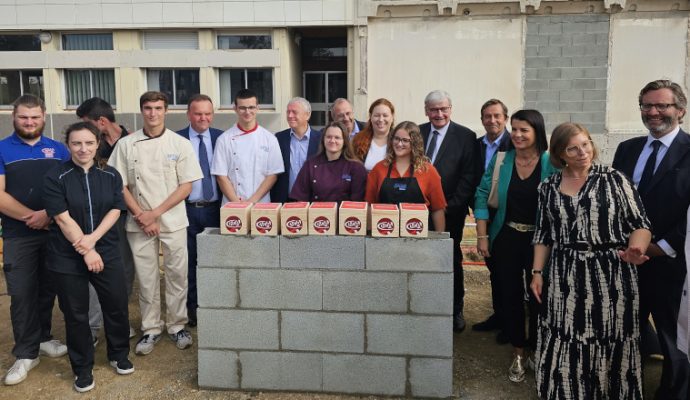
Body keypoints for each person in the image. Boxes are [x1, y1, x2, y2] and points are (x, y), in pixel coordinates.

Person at [530, 122, 652, 398]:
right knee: (566, 333)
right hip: (566, 273)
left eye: (585, 144)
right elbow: (544, 234)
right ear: (560, 154)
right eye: (573, 148)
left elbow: (641, 224)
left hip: (611, 272)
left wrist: (636, 247)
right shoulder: (548, 187)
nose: (583, 152)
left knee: (611, 333)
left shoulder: (614, 179)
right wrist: (537, 272)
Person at [612, 79, 690, 400]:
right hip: (628, 264)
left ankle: (674, 393)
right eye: (647, 105)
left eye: (662, 106)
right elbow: (614, 203)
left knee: (675, 342)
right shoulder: (627, 149)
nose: (653, 112)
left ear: (680, 111)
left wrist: (660, 248)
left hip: (673, 264)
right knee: (626, 333)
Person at [108, 91, 202, 355]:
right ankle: (150, 329)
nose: (153, 113)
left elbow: (186, 186)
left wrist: (156, 213)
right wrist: (141, 215)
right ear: (141, 111)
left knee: (177, 275)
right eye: (148, 108)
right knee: (147, 279)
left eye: (158, 108)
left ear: (166, 111)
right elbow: (120, 184)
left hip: (172, 221)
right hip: (138, 222)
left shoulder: (180, 144)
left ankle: (177, 325)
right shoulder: (127, 145)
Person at [43, 122, 134, 393]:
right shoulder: (54, 176)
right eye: (76, 144)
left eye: (89, 143)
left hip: (106, 249)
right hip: (66, 255)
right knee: (76, 313)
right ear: (68, 145)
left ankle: (119, 354)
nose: (83, 149)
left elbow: (116, 210)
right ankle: (82, 368)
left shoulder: (110, 174)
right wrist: (87, 250)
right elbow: (61, 217)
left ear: (97, 144)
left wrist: (93, 242)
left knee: (116, 305)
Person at [474, 109, 557, 383]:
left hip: (540, 242)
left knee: (538, 297)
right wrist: (483, 235)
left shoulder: (551, 162)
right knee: (508, 295)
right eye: (515, 129)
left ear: (537, 133)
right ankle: (518, 351)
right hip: (506, 237)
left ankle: (537, 348)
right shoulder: (502, 160)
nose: (518, 135)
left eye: (525, 130)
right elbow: (483, 194)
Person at [0, 94, 69, 386]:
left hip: (54, 232)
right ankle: (26, 353)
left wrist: (49, 217)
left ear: (43, 117)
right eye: (23, 117)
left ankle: (42, 338)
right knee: (22, 293)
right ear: (13, 117)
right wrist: (34, 216)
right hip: (19, 235)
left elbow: (69, 189)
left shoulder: (59, 149)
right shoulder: (2, 149)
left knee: (47, 289)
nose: (29, 122)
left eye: (35, 117)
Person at [76, 96, 136, 343]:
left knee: (124, 270)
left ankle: (119, 320)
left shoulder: (133, 140)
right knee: (94, 269)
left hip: (128, 217)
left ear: (101, 121)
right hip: (97, 219)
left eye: (86, 123)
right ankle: (94, 324)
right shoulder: (89, 145)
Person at [419, 90, 476, 332]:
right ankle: (424, 307)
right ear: (426, 111)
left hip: (450, 212)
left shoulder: (466, 136)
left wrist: (448, 206)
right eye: (434, 109)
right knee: (420, 259)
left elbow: (469, 176)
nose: (439, 114)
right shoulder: (417, 133)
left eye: (443, 108)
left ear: (451, 109)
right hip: (417, 213)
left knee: (450, 259)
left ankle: (455, 309)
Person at [176, 94, 224, 328]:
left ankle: (216, 306)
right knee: (190, 261)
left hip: (217, 209)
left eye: (207, 113)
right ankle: (193, 310)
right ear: (189, 114)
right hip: (186, 210)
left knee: (216, 260)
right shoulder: (176, 140)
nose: (203, 118)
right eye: (198, 113)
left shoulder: (222, 138)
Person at [472, 99, 513, 341]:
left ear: (505, 118)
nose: (492, 120)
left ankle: (511, 321)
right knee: (493, 268)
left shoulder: (514, 143)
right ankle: (499, 314)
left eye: (497, 116)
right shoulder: (476, 145)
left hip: (507, 215)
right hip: (482, 212)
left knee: (507, 270)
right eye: (487, 116)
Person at [365, 121, 446, 231]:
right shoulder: (379, 169)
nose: (399, 144)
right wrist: (370, 235)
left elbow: (438, 209)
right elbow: (369, 205)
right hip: (384, 234)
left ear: (415, 143)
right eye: (396, 139)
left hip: (420, 237)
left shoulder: (428, 171)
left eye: (405, 140)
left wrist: (439, 240)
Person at [211, 89, 284, 203]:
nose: (247, 111)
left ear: (257, 108)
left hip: (261, 203)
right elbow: (221, 176)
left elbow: (273, 174)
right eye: (242, 108)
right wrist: (237, 203)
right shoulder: (224, 139)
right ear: (235, 109)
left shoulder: (270, 139)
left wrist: (252, 201)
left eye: (251, 107)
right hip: (232, 205)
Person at [290, 121, 367, 202]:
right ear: (323, 139)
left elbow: (357, 202)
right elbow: (300, 198)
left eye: (337, 137)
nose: (332, 140)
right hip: (316, 213)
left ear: (344, 141)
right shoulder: (310, 165)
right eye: (329, 137)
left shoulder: (356, 168)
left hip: (344, 214)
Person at [270, 97, 321, 203]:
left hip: (313, 201)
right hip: (284, 200)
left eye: (294, 112)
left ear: (307, 115)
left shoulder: (321, 139)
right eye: (288, 112)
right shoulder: (279, 138)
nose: (290, 116)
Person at [352, 98, 395, 171]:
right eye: (377, 115)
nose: (381, 119)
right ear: (370, 116)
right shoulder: (358, 140)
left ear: (392, 117)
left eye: (385, 115)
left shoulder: (399, 141)